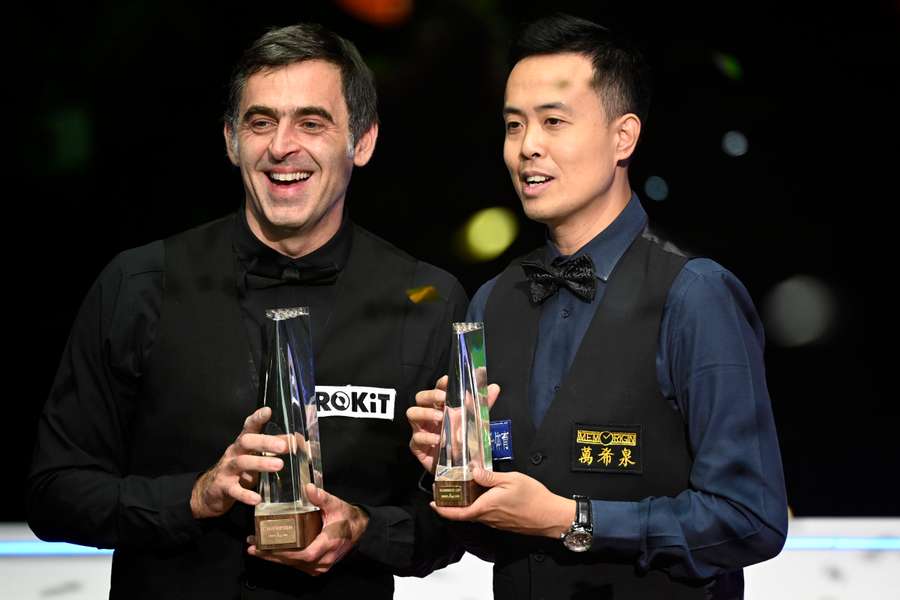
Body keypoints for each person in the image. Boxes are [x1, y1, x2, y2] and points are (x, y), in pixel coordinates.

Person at [28, 23, 466, 599]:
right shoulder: (137, 285)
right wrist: (192, 497)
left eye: (312, 122)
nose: (282, 146)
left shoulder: (429, 302)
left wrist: (364, 529)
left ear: (362, 142)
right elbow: (54, 493)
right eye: (261, 122)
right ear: (232, 140)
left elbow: (450, 525)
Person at [408, 14, 788, 599]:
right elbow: (492, 538)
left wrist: (571, 518)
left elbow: (751, 518)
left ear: (623, 137)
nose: (527, 146)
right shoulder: (492, 301)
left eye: (553, 121)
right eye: (514, 125)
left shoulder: (695, 295)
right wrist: (451, 473)